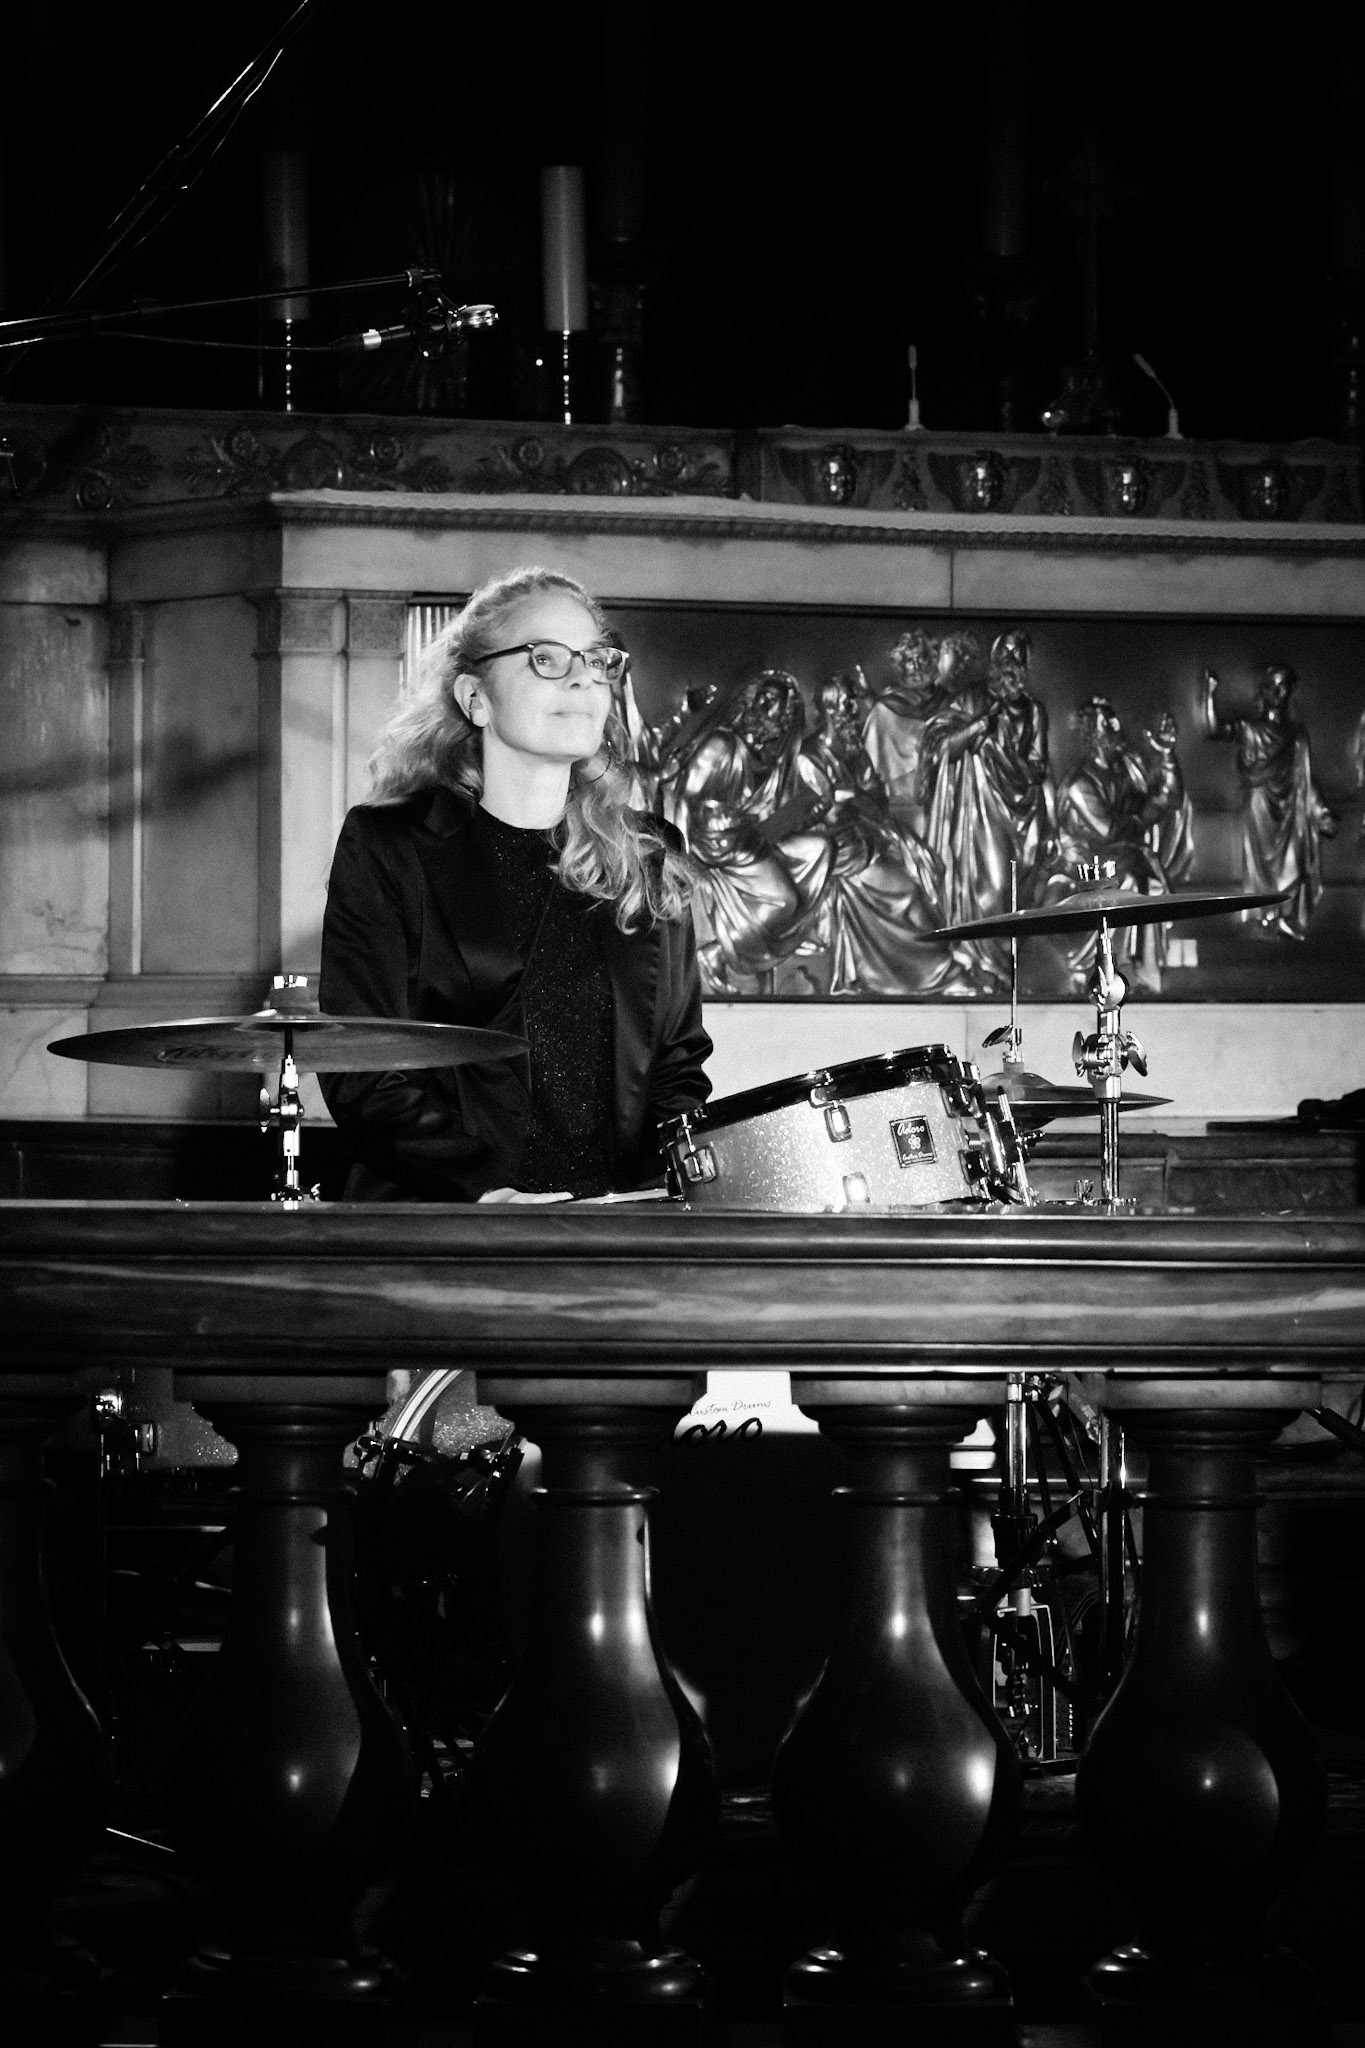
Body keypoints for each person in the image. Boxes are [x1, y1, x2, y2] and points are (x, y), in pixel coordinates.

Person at [318, 566, 711, 1201]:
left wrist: (659, 1194)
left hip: (614, 1232)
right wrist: (486, 1192)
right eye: (546, 659)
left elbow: (676, 1065)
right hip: (446, 1225)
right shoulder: (389, 844)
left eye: (597, 661)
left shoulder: (649, 852)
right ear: (475, 698)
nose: (584, 676)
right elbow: (365, 1071)